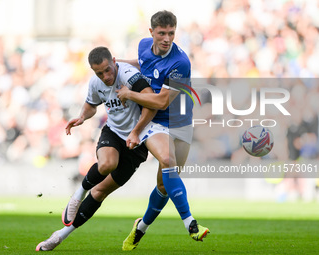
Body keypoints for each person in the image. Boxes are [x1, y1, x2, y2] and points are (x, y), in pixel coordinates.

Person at [36, 46, 159, 251]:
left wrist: (136, 131)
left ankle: (60, 235)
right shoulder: (96, 82)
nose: (105, 76)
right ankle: (78, 193)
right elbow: (91, 104)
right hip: (113, 132)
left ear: (113, 61)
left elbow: (152, 104)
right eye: (99, 73)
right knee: (107, 164)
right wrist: (82, 116)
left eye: (107, 70)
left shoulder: (130, 76)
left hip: (135, 142)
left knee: (101, 191)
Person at [116, 10, 209, 251]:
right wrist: (118, 65)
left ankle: (141, 228)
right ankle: (191, 223)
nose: (167, 38)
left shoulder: (180, 62)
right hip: (153, 121)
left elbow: (162, 101)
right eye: (162, 33)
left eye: (171, 33)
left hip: (180, 122)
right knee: (168, 159)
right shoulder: (144, 45)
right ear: (151, 33)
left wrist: (128, 93)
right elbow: (143, 64)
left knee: (164, 185)